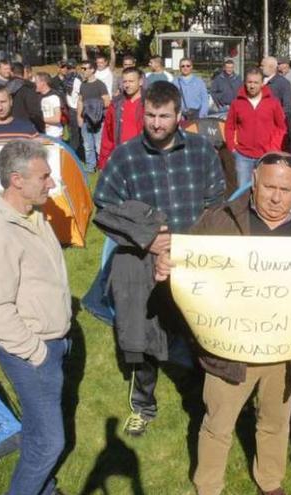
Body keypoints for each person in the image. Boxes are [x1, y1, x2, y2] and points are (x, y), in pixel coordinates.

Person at [153, 152, 291, 495]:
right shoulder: (218, 221)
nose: (276, 197)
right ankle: (207, 486)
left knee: (275, 423)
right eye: (269, 186)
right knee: (217, 424)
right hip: (230, 351)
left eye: (285, 189)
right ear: (254, 180)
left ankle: (269, 480)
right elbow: (186, 261)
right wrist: (168, 266)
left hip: (283, 352)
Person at [94, 80, 225, 437]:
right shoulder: (126, 155)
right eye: (150, 115)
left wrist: (194, 248)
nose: (155, 123)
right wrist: (147, 239)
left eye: (164, 116)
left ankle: (205, 403)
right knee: (141, 339)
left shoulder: (201, 151)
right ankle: (143, 405)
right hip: (141, 264)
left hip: (192, 262)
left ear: (179, 115)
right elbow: (104, 206)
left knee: (202, 334)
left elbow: (217, 203)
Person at [0, 139, 72, 495]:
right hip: (32, 353)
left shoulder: (31, 215)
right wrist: (38, 352)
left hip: (52, 344)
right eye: (44, 177)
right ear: (17, 180)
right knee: (49, 443)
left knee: (37, 430)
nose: (52, 184)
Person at [224, 68, 288, 189]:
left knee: (265, 190)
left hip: (266, 155)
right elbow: (229, 127)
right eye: (249, 82)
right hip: (243, 156)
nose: (252, 86)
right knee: (242, 192)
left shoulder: (273, 103)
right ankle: (243, 209)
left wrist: (273, 148)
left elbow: (282, 128)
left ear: (262, 83)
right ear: (245, 82)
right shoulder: (237, 103)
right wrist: (232, 147)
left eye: (256, 82)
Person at [99, 68, 144, 170]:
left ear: (140, 81)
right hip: (121, 157)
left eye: (131, 81)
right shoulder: (116, 104)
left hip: (143, 158)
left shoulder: (150, 103)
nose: (127, 85)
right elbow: (107, 135)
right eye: (125, 81)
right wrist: (103, 163)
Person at [77, 60, 111, 172]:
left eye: (85, 68)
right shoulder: (83, 85)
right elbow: (80, 101)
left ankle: (102, 167)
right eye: (82, 68)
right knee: (87, 146)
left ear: (92, 70)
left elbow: (107, 101)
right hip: (86, 120)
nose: (83, 71)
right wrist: (79, 117)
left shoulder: (100, 85)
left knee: (99, 145)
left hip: (98, 120)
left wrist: (94, 106)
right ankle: (91, 167)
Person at [7, 62, 45, 133]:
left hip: (9, 127)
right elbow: (34, 112)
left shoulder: (5, 88)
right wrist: (41, 128)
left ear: (11, 73)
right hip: (27, 128)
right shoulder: (29, 88)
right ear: (24, 72)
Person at [35, 72, 64, 139]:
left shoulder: (54, 96)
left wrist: (39, 120)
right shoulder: (37, 96)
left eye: (36, 82)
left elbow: (57, 119)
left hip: (54, 135)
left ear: (43, 83)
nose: (35, 84)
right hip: (42, 134)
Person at [63, 60, 83, 153]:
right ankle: (75, 152)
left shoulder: (71, 79)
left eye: (71, 68)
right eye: (68, 68)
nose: (69, 70)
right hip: (72, 109)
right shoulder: (71, 79)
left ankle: (75, 152)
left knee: (75, 133)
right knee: (74, 133)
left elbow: (79, 95)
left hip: (74, 108)